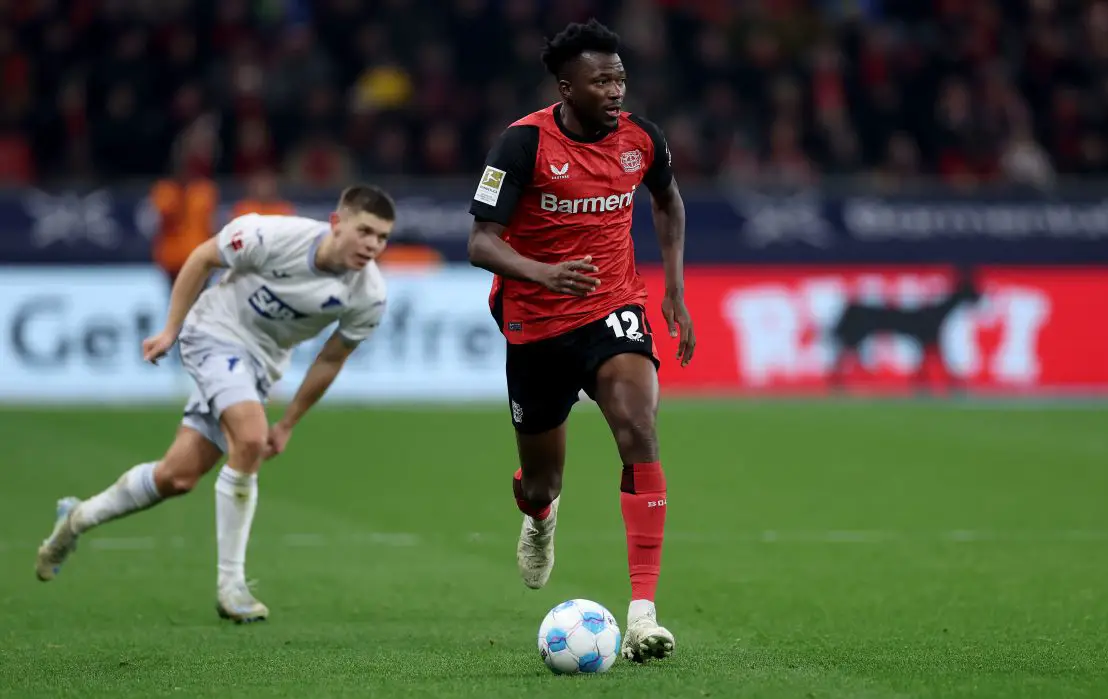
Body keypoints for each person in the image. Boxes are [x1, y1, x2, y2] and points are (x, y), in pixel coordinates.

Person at [35, 185, 396, 623]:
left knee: (177, 476)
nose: (373, 245)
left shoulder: (369, 294)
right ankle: (232, 585)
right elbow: (202, 257)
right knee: (248, 437)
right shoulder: (270, 236)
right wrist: (170, 329)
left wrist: (289, 423)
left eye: (382, 237)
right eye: (365, 231)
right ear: (337, 223)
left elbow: (332, 358)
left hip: (258, 367)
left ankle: (75, 520)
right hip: (212, 334)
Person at [466, 19, 696, 663]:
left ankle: (644, 613)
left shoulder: (641, 140)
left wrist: (673, 290)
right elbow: (480, 242)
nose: (617, 89)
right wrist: (544, 273)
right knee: (542, 481)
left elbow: (668, 202)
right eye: (602, 80)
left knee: (638, 427)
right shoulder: (521, 144)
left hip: (613, 305)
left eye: (621, 77)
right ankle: (539, 516)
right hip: (535, 320)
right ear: (567, 85)